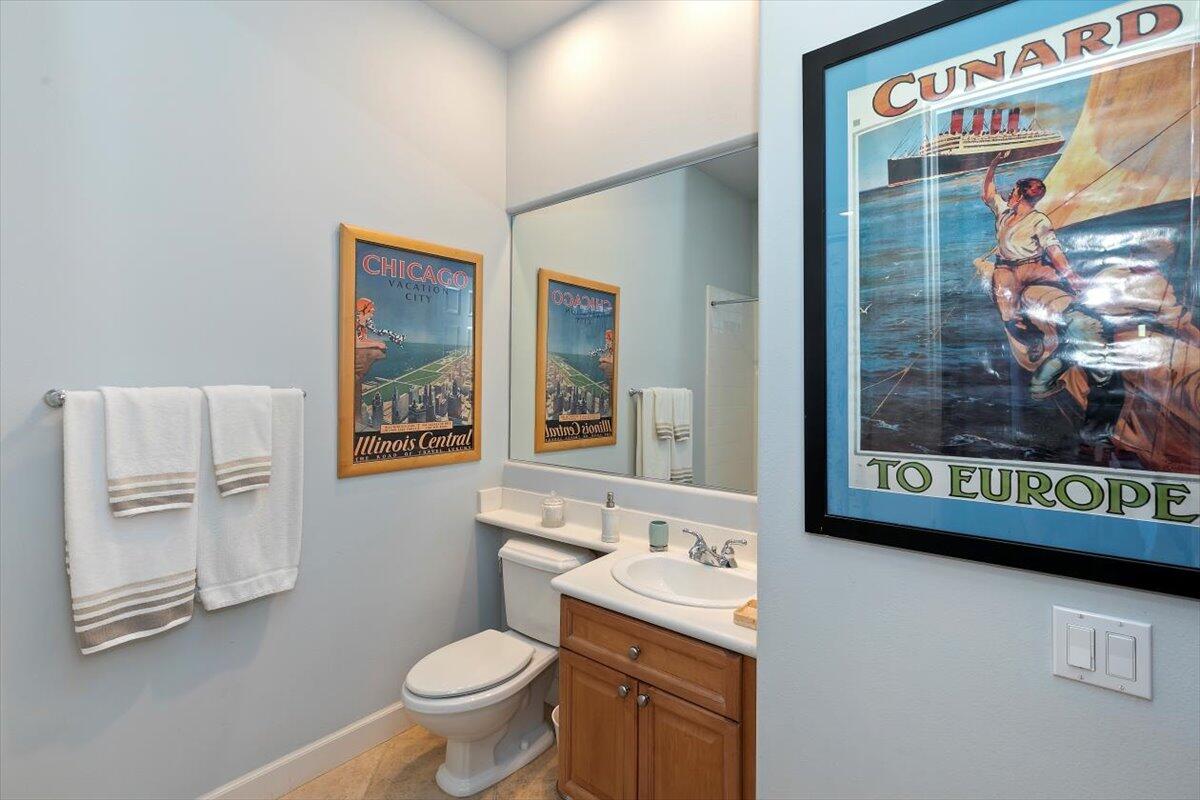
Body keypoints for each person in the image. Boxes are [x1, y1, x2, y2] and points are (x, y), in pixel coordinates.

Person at [981, 149, 1084, 361]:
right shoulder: (1004, 212)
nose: (1009, 195)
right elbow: (989, 193)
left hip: (1033, 267)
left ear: (1020, 197)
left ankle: (1075, 325)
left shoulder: (1040, 221)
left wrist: (1071, 276)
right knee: (1007, 314)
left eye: (1013, 192)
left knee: (1067, 285)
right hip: (1006, 270)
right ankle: (1033, 340)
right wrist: (994, 164)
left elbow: (1053, 251)